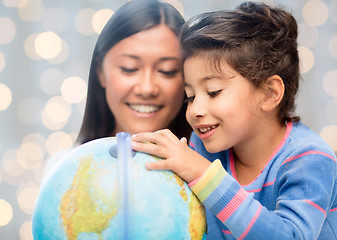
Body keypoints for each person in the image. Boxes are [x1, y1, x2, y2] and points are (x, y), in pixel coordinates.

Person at [131, 2, 337, 239]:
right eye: (190, 96)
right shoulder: (204, 148)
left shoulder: (309, 159)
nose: (195, 109)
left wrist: (205, 176)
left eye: (213, 92)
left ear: (269, 93)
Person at [43, 0, 191, 176]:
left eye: (167, 71)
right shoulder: (66, 168)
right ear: (100, 71)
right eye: (129, 68)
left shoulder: (206, 171)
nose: (147, 88)